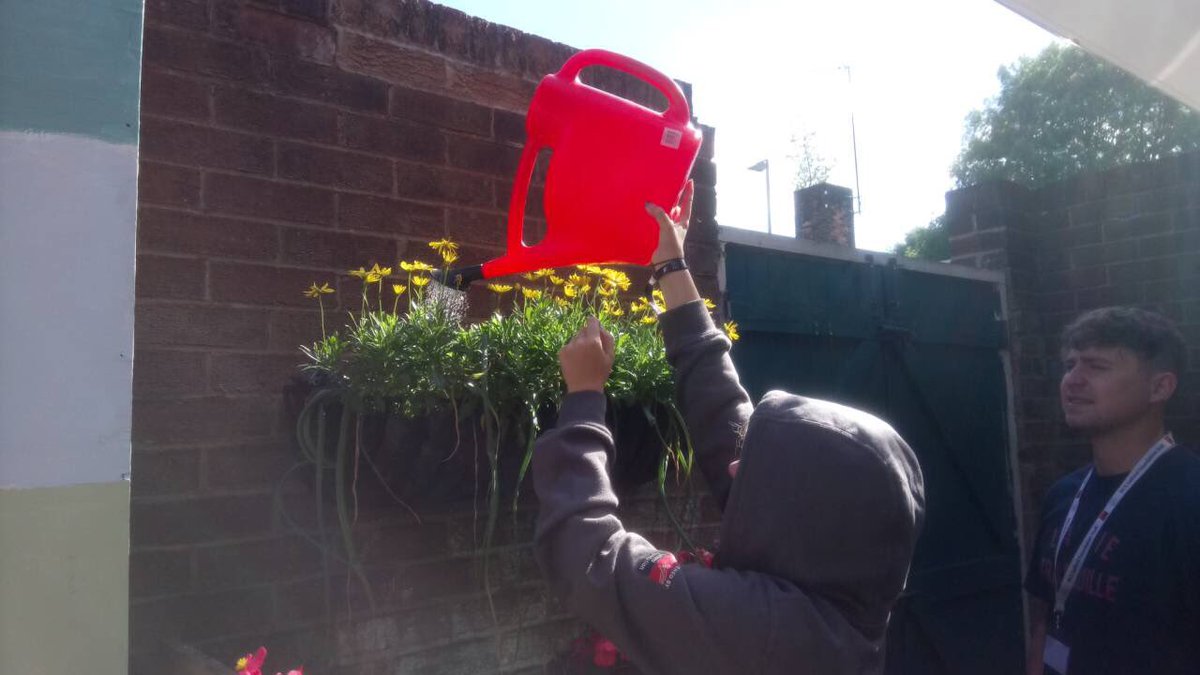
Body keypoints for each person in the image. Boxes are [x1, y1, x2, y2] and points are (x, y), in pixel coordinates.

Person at [531, 181, 925, 674]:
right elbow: (725, 421)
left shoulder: (771, 634)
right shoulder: (831, 588)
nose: (736, 464)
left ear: (807, 517)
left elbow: (589, 560)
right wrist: (671, 264)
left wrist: (584, 401)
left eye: (765, 471)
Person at [1024, 306, 1199, 675]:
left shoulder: (1188, 499)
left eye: (1096, 366)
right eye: (1070, 365)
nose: (1072, 379)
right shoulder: (1062, 495)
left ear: (1159, 387)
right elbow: (1045, 614)